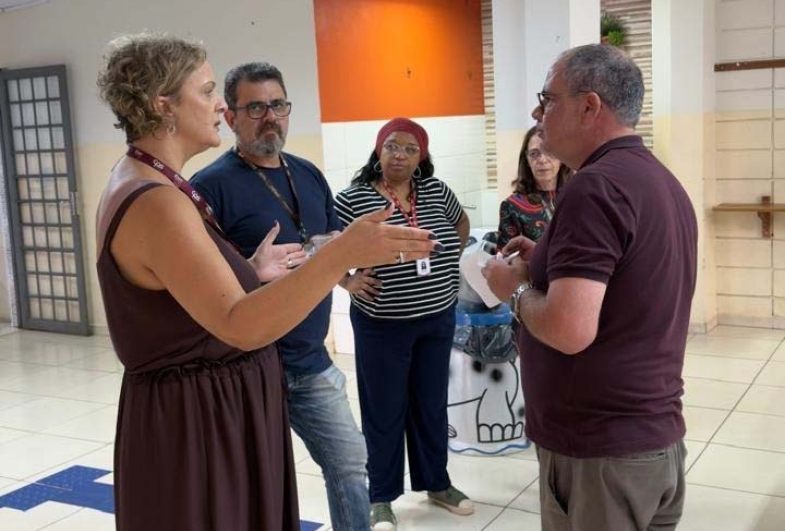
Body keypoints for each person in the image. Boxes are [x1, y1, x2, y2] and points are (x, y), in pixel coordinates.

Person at [95, 35, 439, 531]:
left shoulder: (153, 182)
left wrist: (251, 273)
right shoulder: (157, 199)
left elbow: (188, 293)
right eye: (210, 90)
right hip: (199, 419)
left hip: (217, 405)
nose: (219, 105)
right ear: (162, 105)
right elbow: (240, 324)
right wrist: (342, 254)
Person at [482, 44, 697, 531]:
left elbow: (568, 329)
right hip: (654, 442)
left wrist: (512, 290)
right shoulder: (660, 181)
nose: (538, 113)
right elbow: (631, 287)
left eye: (548, 99)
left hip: (601, 453)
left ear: (589, 106)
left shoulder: (594, 187)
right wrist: (546, 267)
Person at [190, 62, 370, 531]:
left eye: (278, 105)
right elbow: (206, 288)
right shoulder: (210, 187)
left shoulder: (308, 174)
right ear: (230, 117)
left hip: (310, 360)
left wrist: (343, 267)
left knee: (350, 464)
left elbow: (323, 244)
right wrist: (254, 273)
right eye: (255, 108)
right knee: (257, 483)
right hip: (248, 365)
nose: (270, 117)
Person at [335, 118, 473, 531]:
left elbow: (461, 224)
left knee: (431, 404)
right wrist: (347, 280)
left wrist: (448, 266)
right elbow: (324, 248)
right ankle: (381, 497)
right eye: (392, 146)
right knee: (384, 410)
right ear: (378, 151)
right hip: (383, 324)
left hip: (436, 318)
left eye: (410, 149)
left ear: (422, 157)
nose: (400, 154)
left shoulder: (436, 191)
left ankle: (438, 483)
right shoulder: (353, 199)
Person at [497, 126, 570, 249]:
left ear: (561, 156)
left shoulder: (577, 196)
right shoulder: (512, 206)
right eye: (534, 154)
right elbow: (505, 257)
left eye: (549, 151)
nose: (542, 160)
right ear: (527, 159)